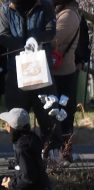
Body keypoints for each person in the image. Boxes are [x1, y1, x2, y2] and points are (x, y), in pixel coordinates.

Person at [0, 0, 62, 157]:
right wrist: (22, 44)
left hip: (42, 70)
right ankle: (21, 157)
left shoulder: (45, 6)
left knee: (49, 114)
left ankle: (52, 156)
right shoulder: (6, 9)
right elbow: (3, 35)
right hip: (16, 71)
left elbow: (50, 31)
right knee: (17, 118)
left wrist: (35, 39)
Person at [51, 0, 81, 163]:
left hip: (63, 73)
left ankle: (64, 152)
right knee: (57, 112)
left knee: (63, 113)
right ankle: (58, 151)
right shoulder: (62, 12)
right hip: (58, 72)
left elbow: (53, 39)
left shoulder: (68, 14)